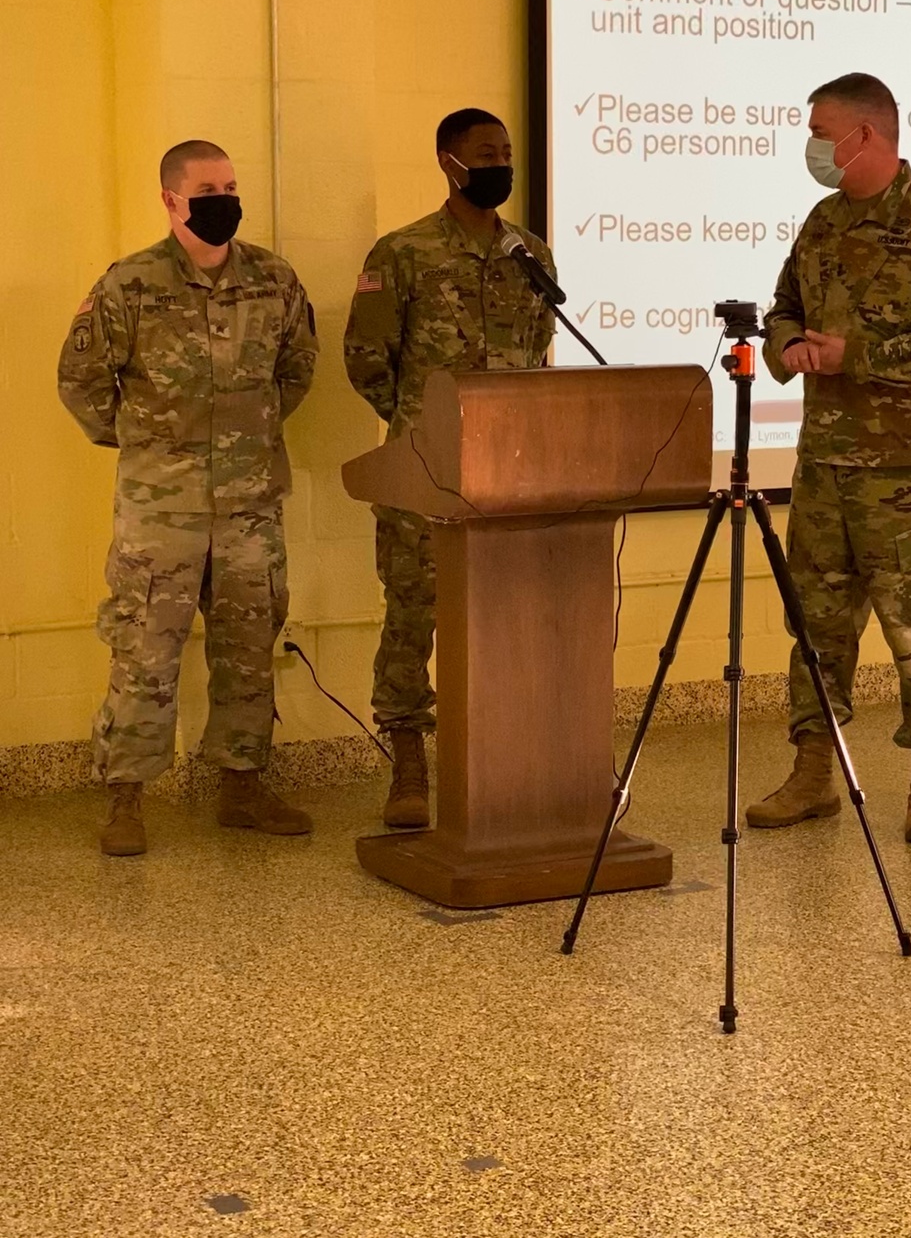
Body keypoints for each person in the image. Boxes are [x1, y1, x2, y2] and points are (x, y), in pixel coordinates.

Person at [58, 140, 319, 856]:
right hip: (159, 511)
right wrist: (147, 445)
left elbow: (297, 369)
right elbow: (81, 383)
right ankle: (125, 797)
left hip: (249, 503)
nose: (223, 200)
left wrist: (246, 438)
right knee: (144, 651)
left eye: (231, 185)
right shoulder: (129, 286)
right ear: (171, 200)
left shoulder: (272, 280)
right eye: (207, 189)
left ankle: (242, 786)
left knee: (247, 649)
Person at [745, 73, 911, 845]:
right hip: (824, 469)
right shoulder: (821, 222)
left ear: (867, 137)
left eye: (822, 130)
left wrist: (859, 355)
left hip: (908, 474)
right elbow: (784, 303)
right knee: (816, 625)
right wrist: (785, 343)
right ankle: (814, 771)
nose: (813, 146)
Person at [343, 108, 556, 828]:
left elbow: (538, 349)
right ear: (448, 162)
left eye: (506, 151)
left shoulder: (532, 254)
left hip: (511, 476)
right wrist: (417, 426)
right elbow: (367, 360)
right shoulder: (401, 253)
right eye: (485, 152)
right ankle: (408, 760)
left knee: (510, 623)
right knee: (413, 616)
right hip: (424, 475)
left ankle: (509, 759)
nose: (500, 162)